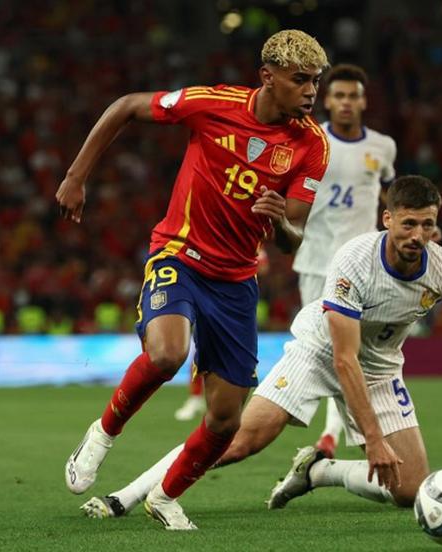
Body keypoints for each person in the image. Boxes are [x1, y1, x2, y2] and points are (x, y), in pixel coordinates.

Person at [57, 29, 330, 530]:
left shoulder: (311, 144)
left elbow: (294, 237)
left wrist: (280, 222)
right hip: (180, 255)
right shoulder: (210, 103)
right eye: (301, 81)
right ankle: (103, 432)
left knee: (226, 418)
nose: (312, 91)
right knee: (167, 354)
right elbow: (125, 106)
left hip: (236, 280)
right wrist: (77, 175)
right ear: (268, 78)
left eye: (316, 81)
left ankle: (163, 496)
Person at [80, 175, 442, 528]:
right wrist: (374, 440)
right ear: (387, 219)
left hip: (379, 369)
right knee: (238, 441)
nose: (417, 235)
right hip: (320, 352)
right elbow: (344, 358)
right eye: (408, 224)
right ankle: (124, 497)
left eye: (427, 225)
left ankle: (318, 472)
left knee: (410, 489)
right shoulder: (355, 262)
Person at [172, 64, 397, 462]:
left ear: (364, 101)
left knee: (352, 353)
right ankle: (325, 435)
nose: (346, 103)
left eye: (354, 96)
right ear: (328, 101)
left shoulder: (382, 147)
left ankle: (335, 439)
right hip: (316, 262)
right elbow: (270, 194)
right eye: (339, 95)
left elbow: (386, 194)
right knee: (334, 351)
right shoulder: (309, 139)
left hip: (364, 267)